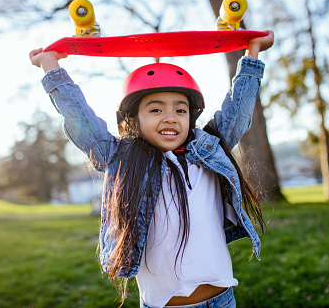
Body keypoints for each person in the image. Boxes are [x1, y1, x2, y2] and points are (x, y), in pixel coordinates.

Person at [29, 30, 274, 308]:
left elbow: (237, 110)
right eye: (156, 110)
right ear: (134, 118)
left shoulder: (207, 150)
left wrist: (252, 54)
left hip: (221, 301)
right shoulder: (122, 159)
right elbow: (80, 119)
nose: (170, 118)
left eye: (180, 110)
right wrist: (50, 66)